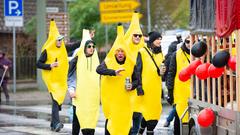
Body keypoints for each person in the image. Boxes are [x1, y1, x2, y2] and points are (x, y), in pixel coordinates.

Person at [96, 24, 137, 135]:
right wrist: (113, 72)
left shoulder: (131, 64)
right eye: (118, 51)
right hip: (111, 101)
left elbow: (137, 80)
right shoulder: (108, 62)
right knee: (111, 124)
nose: (120, 53)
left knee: (126, 124)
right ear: (115, 52)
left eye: (122, 51)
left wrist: (132, 86)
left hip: (125, 102)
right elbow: (99, 70)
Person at [36, 20, 69, 132]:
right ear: (54, 40)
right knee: (55, 101)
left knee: (57, 102)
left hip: (60, 81)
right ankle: (56, 124)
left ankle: (52, 124)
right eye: (59, 39)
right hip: (51, 82)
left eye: (61, 39)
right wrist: (50, 65)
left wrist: (86, 38)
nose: (60, 41)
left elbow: (74, 46)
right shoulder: (47, 50)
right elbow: (38, 64)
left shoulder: (63, 48)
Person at [68, 29, 100, 135]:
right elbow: (70, 76)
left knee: (90, 121)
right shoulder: (77, 59)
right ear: (84, 47)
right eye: (89, 46)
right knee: (77, 121)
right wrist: (71, 89)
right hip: (79, 96)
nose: (91, 48)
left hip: (91, 98)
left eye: (93, 46)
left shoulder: (96, 60)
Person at [136, 31, 166, 135]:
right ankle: (149, 132)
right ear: (152, 40)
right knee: (150, 113)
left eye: (160, 39)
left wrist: (162, 72)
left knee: (153, 111)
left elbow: (159, 69)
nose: (159, 41)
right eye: (158, 39)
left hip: (156, 87)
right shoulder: (142, 52)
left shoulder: (160, 53)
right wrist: (139, 86)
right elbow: (137, 71)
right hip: (146, 88)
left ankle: (140, 132)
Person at [123, 11, 145, 135]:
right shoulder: (124, 50)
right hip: (127, 88)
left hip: (139, 88)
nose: (137, 37)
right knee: (127, 115)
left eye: (139, 36)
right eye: (135, 35)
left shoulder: (144, 50)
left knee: (137, 115)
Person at [166, 36, 191, 135]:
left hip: (195, 92)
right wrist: (170, 92)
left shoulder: (199, 54)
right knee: (179, 115)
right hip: (180, 92)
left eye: (192, 41)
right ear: (184, 42)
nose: (189, 43)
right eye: (187, 41)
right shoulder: (176, 55)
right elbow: (171, 74)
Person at [163, 34, 182, 127]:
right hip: (174, 84)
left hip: (169, 83)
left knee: (176, 105)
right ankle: (168, 120)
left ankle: (168, 120)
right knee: (177, 106)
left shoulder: (167, 57)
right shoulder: (175, 57)